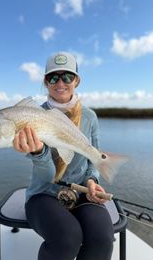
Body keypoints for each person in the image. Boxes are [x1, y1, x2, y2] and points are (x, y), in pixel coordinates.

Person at [13, 51, 114, 260]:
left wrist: (92, 180)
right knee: (67, 238)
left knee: (102, 238)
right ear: (45, 81)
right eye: (53, 77)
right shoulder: (31, 116)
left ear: (76, 80)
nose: (61, 82)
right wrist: (38, 152)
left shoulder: (89, 116)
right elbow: (48, 176)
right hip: (43, 194)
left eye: (67, 76)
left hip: (82, 193)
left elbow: (93, 157)